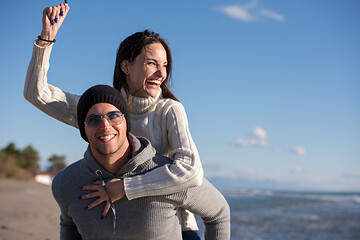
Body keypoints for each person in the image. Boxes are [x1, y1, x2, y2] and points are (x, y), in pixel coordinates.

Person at [25, 2, 203, 238]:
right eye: (151, 63)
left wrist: (124, 187)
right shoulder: (101, 111)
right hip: (113, 219)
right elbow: (36, 94)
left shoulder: (169, 110)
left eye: (164, 66)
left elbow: (191, 171)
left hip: (171, 222)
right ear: (126, 66)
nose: (161, 74)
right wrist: (46, 40)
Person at [51, 84, 230, 240]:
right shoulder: (65, 182)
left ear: (126, 122)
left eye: (114, 116)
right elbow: (69, 225)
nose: (105, 126)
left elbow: (218, 213)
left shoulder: (167, 175)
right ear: (84, 129)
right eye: (93, 120)